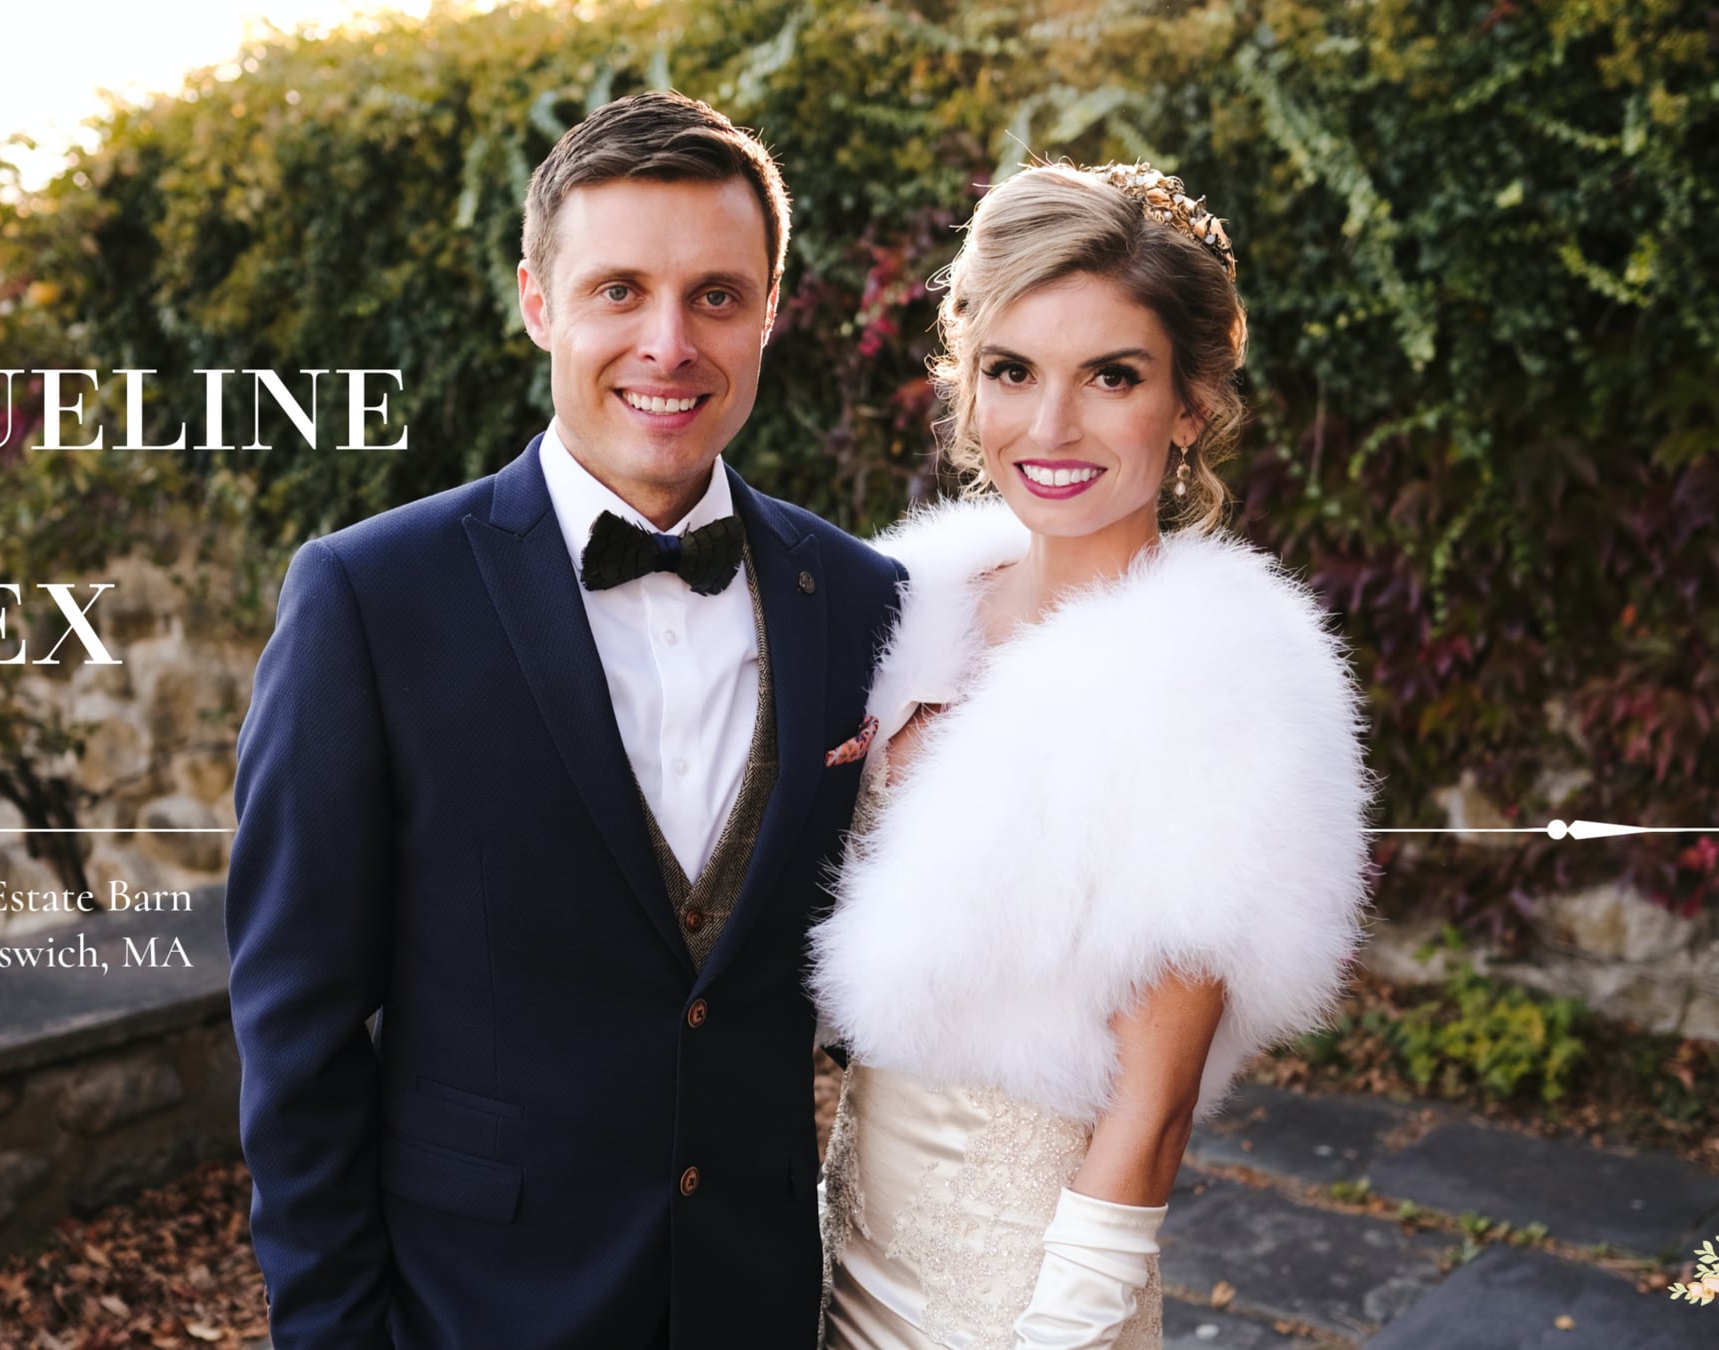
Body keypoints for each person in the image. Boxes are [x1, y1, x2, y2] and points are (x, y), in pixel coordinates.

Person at [224, 91, 906, 1349]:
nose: (668, 343)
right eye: (618, 291)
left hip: (754, 1309)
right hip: (472, 1312)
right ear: (538, 303)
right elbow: (295, 1029)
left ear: (769, 310)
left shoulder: (864, 600)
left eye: (715, 295)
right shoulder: (370, 598)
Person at [809, 162, 1377, 1349]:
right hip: (835, 1255)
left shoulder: (1210, 681)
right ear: (967, 383)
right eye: (1013, 371)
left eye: (1112, 376)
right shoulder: (910, 615)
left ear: (1189, 406)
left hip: (1013, 1299)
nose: (1052, 426)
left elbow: (1153, 1114)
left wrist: (1054, 1334)